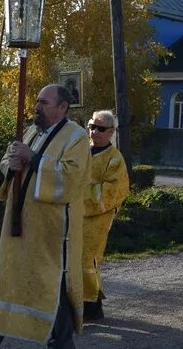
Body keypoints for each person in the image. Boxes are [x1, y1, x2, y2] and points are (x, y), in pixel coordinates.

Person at [0, 84, 90, 349]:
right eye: (37, 101)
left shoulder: (77, 137)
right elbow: (10, 159)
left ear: (62, 107)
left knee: (51, 286)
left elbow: (71, 179)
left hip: (51, 233)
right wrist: (9, 165)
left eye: (44, 102)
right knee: (7, 282)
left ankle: (61, 343)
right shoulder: (32, 130)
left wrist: (33, 158)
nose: (37, 106)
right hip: (18, 227)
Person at [82, 110, 130, 322]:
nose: (95, 131)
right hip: (72, 213)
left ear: (111, 132)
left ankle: (91, 306)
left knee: (87, 257)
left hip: (98, 216)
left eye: (101, 128)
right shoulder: (80, 150)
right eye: (92, 126)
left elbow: (113, 191)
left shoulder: (114, 159)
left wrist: (78, 196)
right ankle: (77, 301)